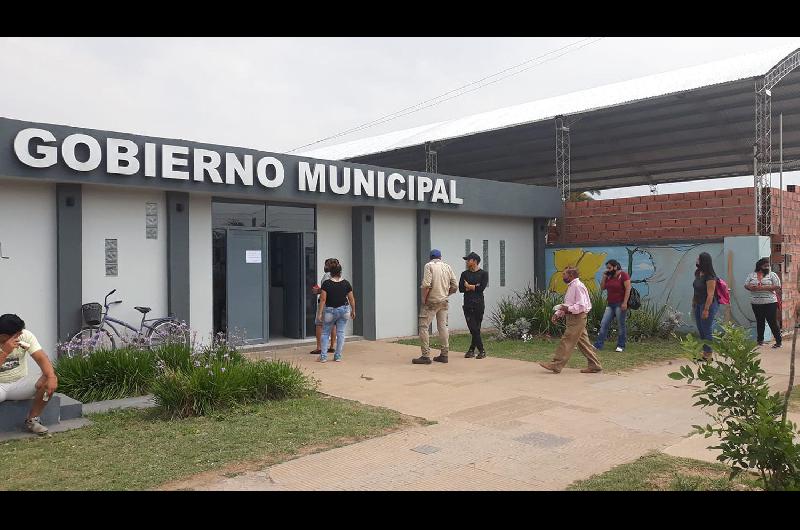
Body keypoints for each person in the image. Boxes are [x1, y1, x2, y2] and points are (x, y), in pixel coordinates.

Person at [0, 314, 58, 434]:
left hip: (20, 384)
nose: (21, 335)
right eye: (17, 334)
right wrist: (5, 352)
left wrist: (52, 377)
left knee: (48, 378)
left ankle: (32, 420)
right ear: (4, 336)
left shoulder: (25, 335)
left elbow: (41, 358)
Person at [539, 266, 603, 374]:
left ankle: (556, 364)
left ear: (571, 275)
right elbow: (569, 304)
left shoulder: (577, 286)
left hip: (577, 318)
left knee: (567, 340)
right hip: (575, 317)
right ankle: (595, 365)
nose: (562, 275)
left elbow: (581, 305)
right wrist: (558, 313)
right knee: (584, 343)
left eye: (564, 274)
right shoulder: (572, 286)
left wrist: (568, 309)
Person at [413, 249, 458, 365]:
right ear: (440, 257)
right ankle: (444, 354)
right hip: (444, 301)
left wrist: (424, 299)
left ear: (430, 257)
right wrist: (447, 293)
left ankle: (425, 355)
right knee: (443, 327)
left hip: (431, 302)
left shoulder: (429, 266)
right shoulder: (447, 267)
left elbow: (427, 284)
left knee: (423, 327)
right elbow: (455, 285)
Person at [317, 259, 355, 363]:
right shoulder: (346, 283)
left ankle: (323, 357)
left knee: (325, 333)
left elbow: (323, 299)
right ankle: (337, 356)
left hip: (330, 311)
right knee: (341, 333)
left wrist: (320, 313)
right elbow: (351, 298)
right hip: (344, 310)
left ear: (331, 272)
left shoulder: (326, 284)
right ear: (340, 272)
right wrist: (353, 310)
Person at [593, 259, 631, 353]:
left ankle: (621, 345)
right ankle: (599, 344)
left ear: (616, 266)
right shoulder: (609, 276)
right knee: (604, 323)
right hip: (610, 304)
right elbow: (602, 288)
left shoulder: (623, 275)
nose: (608, 270)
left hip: (620, 303)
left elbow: (628, 289)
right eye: (607, 268)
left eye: (610, 268)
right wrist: (604, 277)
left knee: (620, 324)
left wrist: (625, 302)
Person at [744, 257, 782, 348]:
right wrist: (750, 287)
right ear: (760, 266)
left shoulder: (772, 275)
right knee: (760, 321)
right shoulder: (752, 275)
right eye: (765, 266)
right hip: (756, 302)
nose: (767, 267)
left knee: (772, 321)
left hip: (770, 302)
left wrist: (763, 288)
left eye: (768, 266)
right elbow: (746, 285)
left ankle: (778, 341)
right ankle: (760, 340)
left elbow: (778, 286)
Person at [460, 251, 489, 359]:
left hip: (479, 304)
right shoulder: (464, 274)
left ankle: (472, 350)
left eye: (469, 260)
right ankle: (482, 350)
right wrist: (474, 286)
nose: (467, 262)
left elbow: (481, 288)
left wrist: (470, 286)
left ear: (475, 261)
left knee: (476, 328)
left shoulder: (483, 274)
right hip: (468, 305)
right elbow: (461, 288)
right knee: (473, 328)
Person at [693, 252, 719, 360]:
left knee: (706, 329)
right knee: (701, 329)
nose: (696, 260)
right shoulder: (698, 273)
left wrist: (706, 309)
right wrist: (693, 302)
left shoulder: (710, 276)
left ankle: (708, 354)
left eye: (698, 258)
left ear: (703, 261)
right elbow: (695, 289)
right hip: (698, 303)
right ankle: (705, 351)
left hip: (708, 304)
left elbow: (710, 294)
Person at [310, 258, 337, 356]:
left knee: (319, 324)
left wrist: (317, 291)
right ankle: (332, 346)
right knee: (333, 325)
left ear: (329, 266)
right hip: (334, 303)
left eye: (326, 265)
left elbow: (326, 289)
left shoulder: (327, 275)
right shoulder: (337, 276)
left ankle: (319, 347)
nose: (324, 266)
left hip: (325, 303)